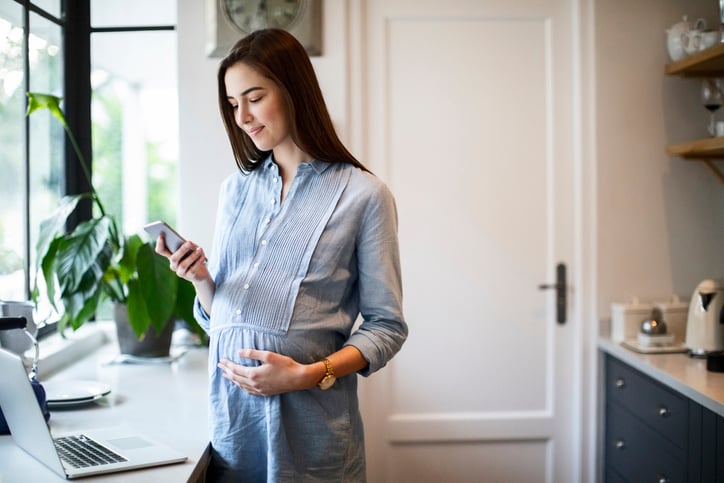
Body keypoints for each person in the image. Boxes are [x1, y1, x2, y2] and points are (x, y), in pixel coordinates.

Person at [155, 28, 407, 482]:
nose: (243, 117)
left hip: (312, 434)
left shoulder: (364, 195)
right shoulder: (233, 192)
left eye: (254, 97)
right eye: (233, 104)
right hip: (234, 428)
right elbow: (224, 319)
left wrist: (309, 374)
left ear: (293, 92)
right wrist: (199, 278)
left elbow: (387, 327)